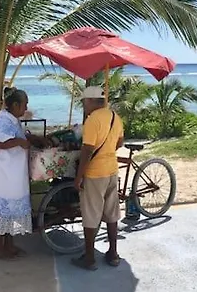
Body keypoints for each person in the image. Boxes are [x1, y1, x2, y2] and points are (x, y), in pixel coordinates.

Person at [0, 87, 49, 260]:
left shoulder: (12, 119)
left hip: (11, 172)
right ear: (15, 105)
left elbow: (13, 137)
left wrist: (28, 138)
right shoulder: (3, 120)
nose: (26, 108)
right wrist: (20, 142)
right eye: (24, 104)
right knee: (3, 210)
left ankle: (9, 245)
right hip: (3, 173)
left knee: (10, 210)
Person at [72, 86, 125, 271]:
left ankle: (89, 258)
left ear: (90, 101)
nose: (84, 106)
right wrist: (107, 153)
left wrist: (79, 177)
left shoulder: (92, 120)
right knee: (111, 213)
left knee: (91, 215)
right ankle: (113, 253)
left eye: (84, 102)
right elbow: (120, 142)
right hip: (112, 170)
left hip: (95, 174)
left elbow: (87, 150)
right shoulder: (115, 117)